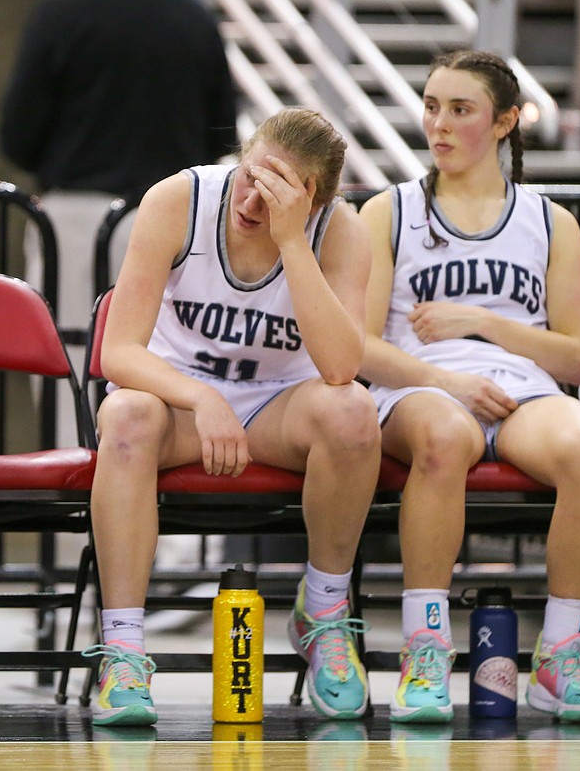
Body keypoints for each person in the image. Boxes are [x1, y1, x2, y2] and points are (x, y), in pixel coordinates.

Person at [85, 108, 381, 726]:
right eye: (251, 175)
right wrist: (200, 397)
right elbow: (118, 352)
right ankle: (123, 649)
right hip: (179, 402)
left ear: (315, 200)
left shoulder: (341, 231)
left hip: (278, 404)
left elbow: (342, 367)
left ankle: (323, 615)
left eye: (278, 190)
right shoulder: (177, 199)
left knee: (353, 413)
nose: (252, 198)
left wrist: (293, 241)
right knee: (128, 416)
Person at [359, 50, 580, 724]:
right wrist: (446, 376)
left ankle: (562, 655)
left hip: (519, 389)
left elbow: (576, 360)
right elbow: (360, 346)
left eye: (460, 109)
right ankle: (426, 651)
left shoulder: (548, 220)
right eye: (431, 106)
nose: (438, 124)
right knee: (445, 436)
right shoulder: (388, 212)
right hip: (417, 386)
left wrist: (481, 322)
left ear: (505, 122)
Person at [0, 0, 239, 448]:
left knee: (66, 360)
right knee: (172, 356)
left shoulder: (59, 14)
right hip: (177, 216)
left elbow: (18, 133)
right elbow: (222, 125)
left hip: (75, 220)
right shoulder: (193, 16)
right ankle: (169, 507)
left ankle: (72, 503)